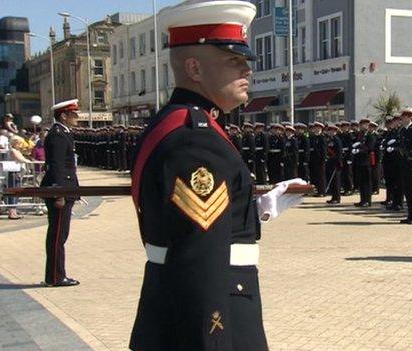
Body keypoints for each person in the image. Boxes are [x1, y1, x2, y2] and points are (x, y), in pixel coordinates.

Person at [128, 2, 302, 349]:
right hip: (213, 316)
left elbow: (197, 224)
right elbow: (199, 257)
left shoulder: (183, 122)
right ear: (194, 68)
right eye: (234, 61)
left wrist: (261, 208)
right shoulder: (196, 138)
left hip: (179, 307)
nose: (247, 72)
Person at [40, 99, 80, 287]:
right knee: (57, 235)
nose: (77, 118)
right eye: (73, 115)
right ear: (63, 115)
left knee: (60, 235)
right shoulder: (57, 135)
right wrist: (59, 193)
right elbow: (56, 167)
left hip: (66, 188)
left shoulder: (63, 133)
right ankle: (56, 277)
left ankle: (55, 275)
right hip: (60, 189)